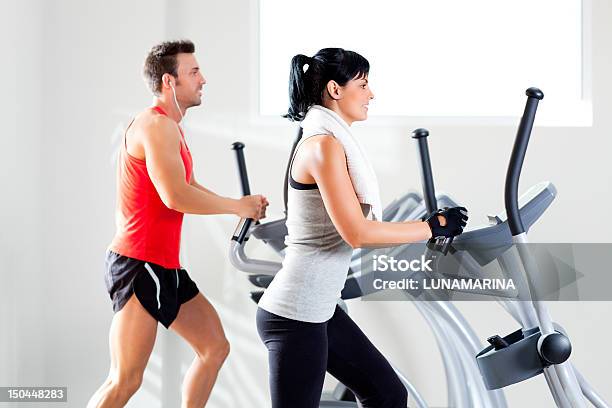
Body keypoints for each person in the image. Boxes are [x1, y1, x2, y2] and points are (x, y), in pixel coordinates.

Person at [255, 48, 468, 408]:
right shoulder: (322, 146)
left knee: (387, 395)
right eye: (364, 84)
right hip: (294, 316)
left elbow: (360, 228)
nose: (371, 95)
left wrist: (433, 226)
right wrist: (432, 228)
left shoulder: (330, 142)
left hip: (319, 310)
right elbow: (358, 233)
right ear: (335, 90)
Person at [88, 40, 268, 408]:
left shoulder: (169, 127)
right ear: (169, 82)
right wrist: (235, 205)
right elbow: (175, 197)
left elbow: (185, 186)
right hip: (139, 264)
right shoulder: (156, 127)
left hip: (163, 264)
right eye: (194, 72)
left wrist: (238, 208)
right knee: (125, 380)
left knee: (214, 347)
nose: (203, 79)